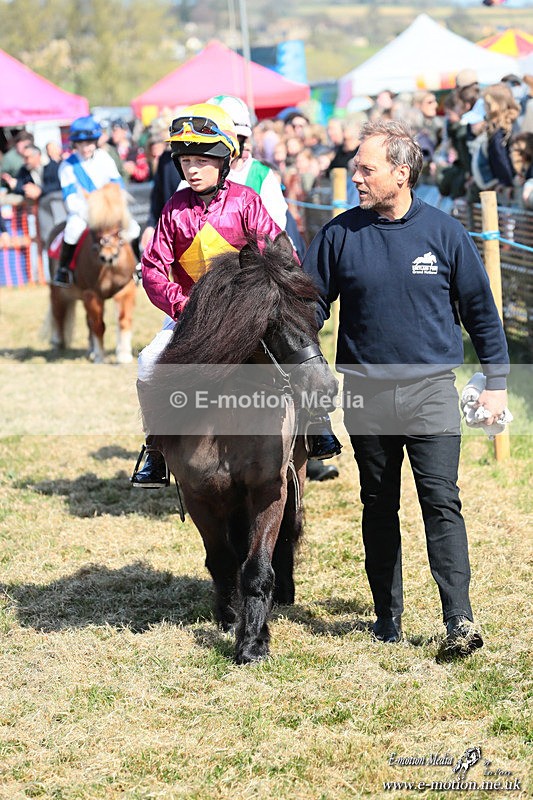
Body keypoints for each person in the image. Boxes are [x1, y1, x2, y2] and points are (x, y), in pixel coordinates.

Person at [302, 119, 510, 656]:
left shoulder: (444, 233)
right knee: (378, 505)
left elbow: (482, 315)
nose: (356, 177)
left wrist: (498, 383)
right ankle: (386, 620)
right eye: (355, 169)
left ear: (401, 172)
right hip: (367, 394)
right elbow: (308, 307)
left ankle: (459, 623)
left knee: (442, 502)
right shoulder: (338, 235)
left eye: (367, 169)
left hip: (432, 392)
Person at [131, 103, 341, 487]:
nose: (191, 170)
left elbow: (281, 253)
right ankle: (156, 449)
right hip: (189, 317)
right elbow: (153, 270)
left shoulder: (246, 201)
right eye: (185, 161)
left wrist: (263, 298)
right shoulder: (173, 210)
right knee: (147, 363)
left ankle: (317, 424)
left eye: (201, 160)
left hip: (249, 312)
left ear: (224, 160)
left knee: (298, 343)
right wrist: (185, 307)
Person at [52, 115, 141, 286]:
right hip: (83, 211)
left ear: (95, 142)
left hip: (108, 211)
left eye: (89, 143)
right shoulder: (67, 166)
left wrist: (114, 208)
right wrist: (90, 213)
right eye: (81, 144)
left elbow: (118, 186)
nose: (86, 147)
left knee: (134, 228)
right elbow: (70, 198)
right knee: (72, 230)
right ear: (75, 144)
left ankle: (139, 266)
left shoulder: (104, 158)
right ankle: (63, 270)